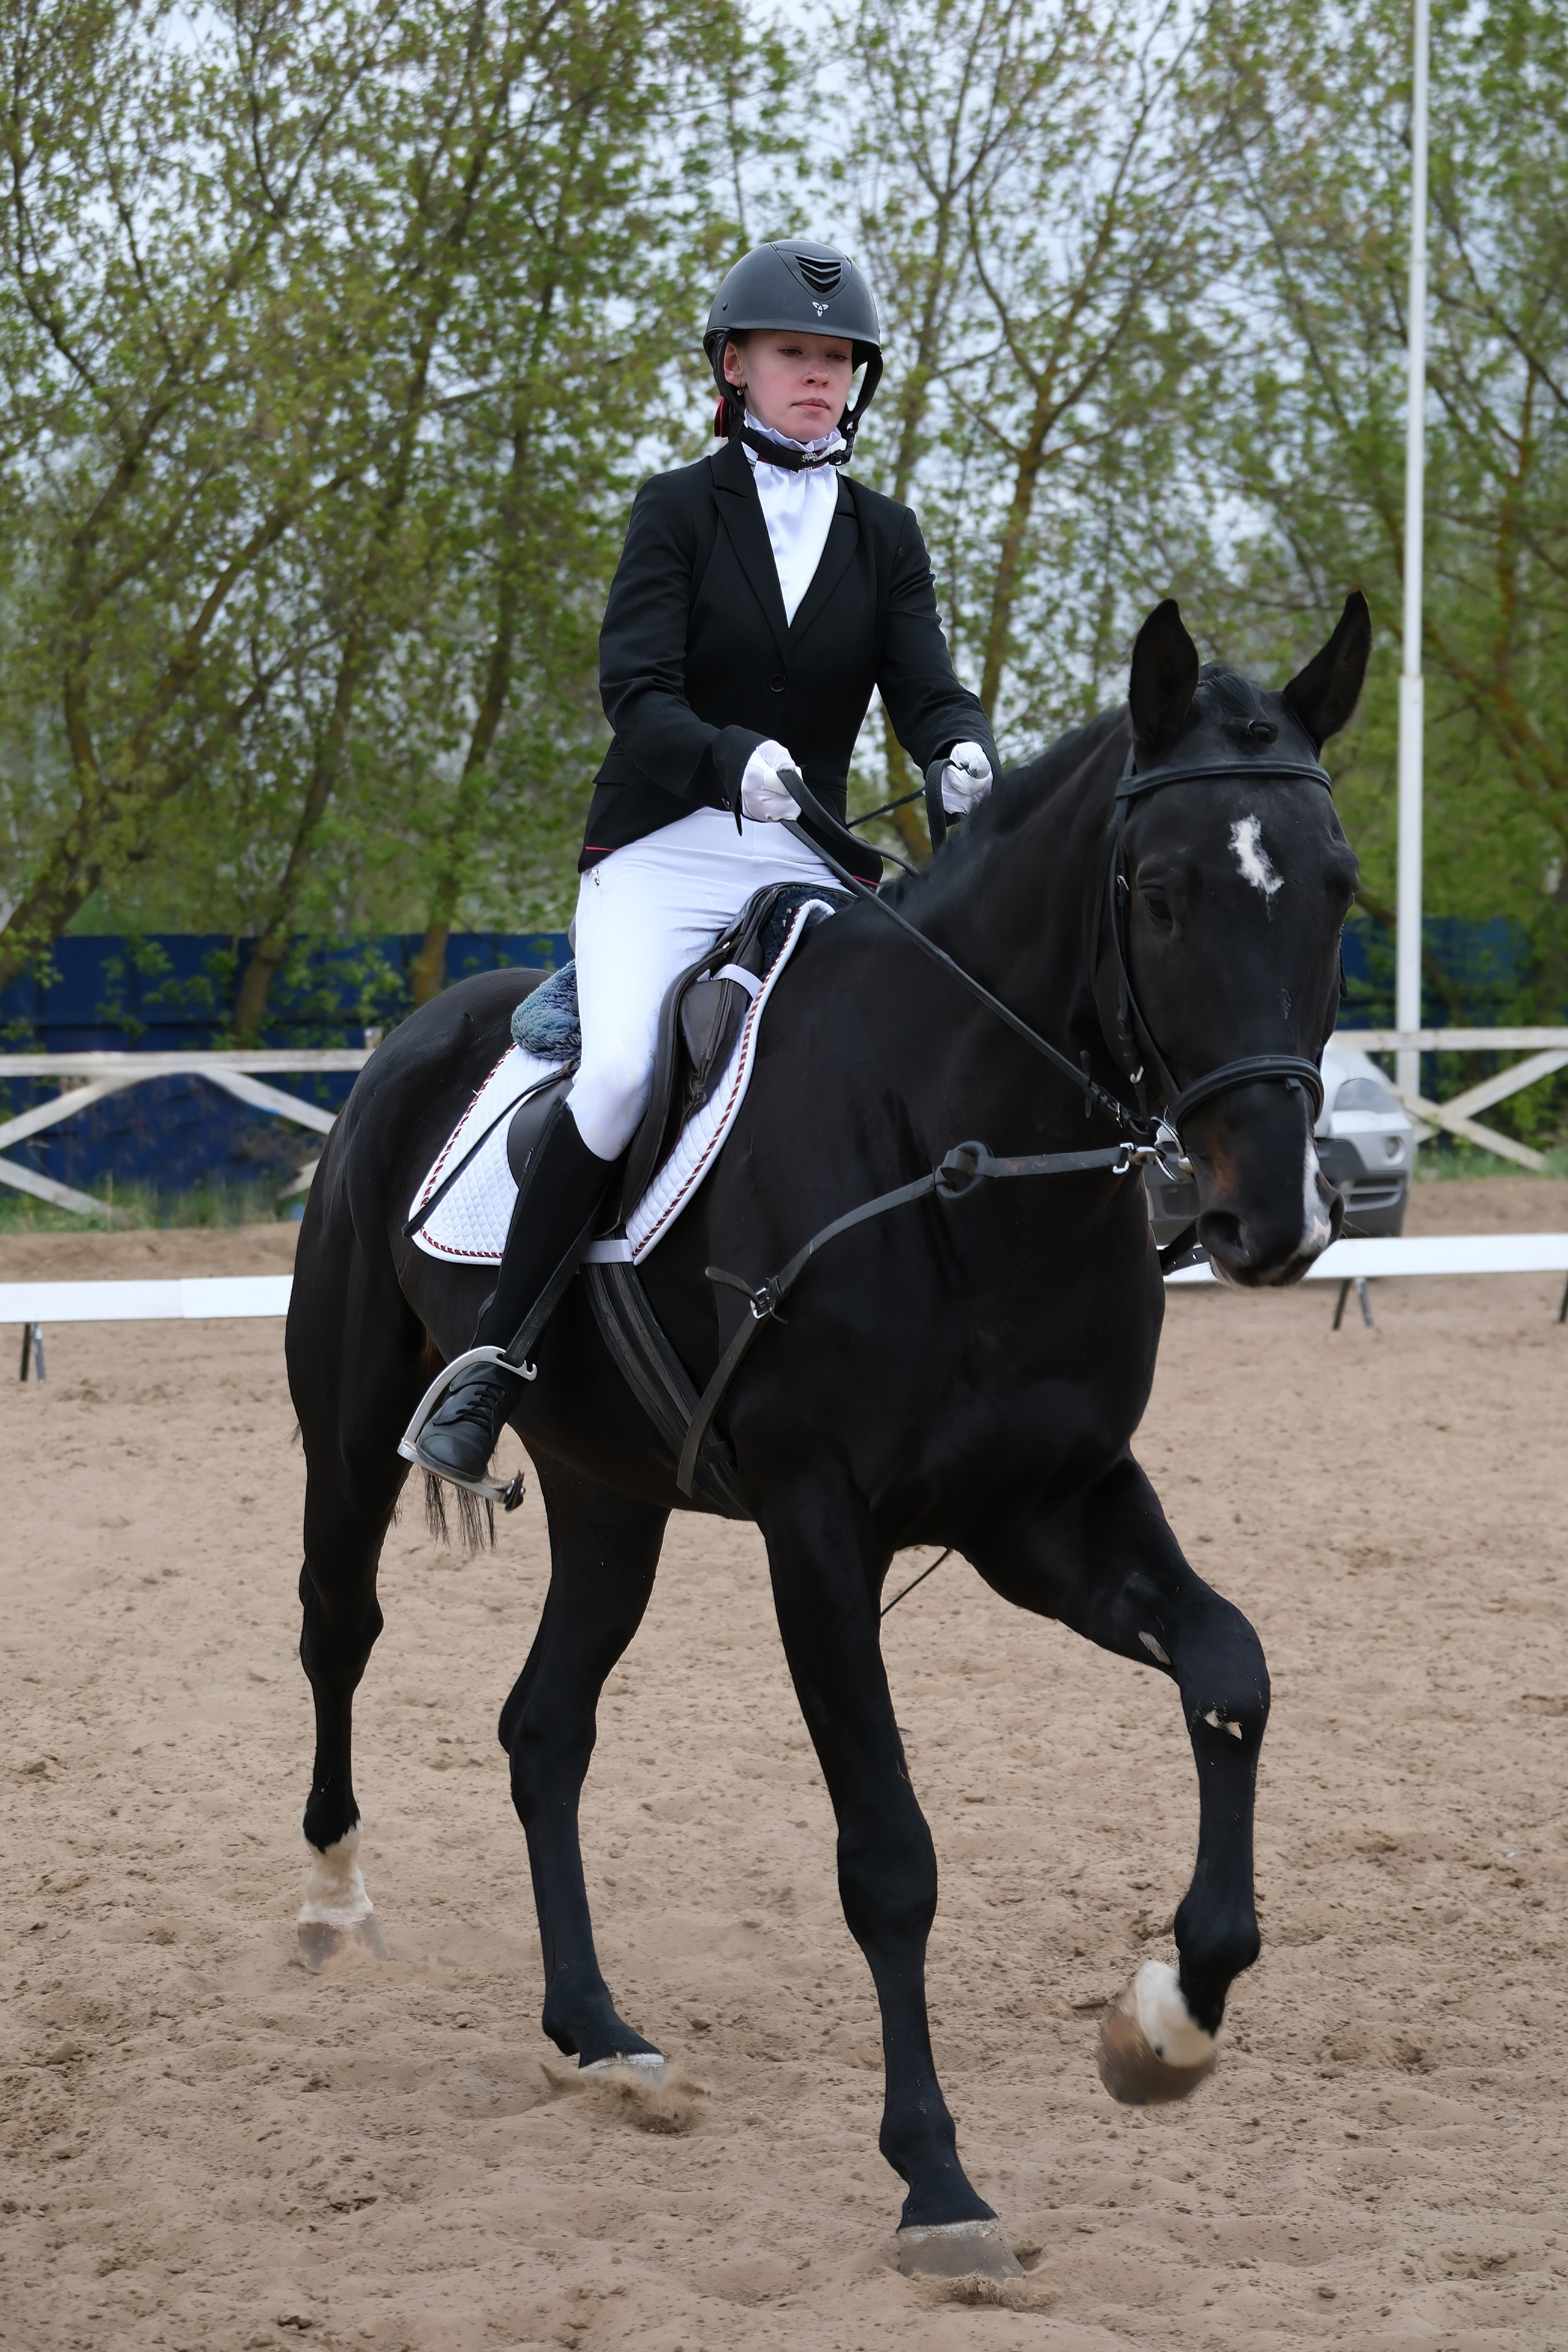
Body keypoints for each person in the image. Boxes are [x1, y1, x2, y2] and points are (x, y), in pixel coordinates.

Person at [416, 238, 1000, 1489]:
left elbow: (927, 687)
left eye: (837, 360)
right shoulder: (677, 510)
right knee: (622, 1071)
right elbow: (635, 691)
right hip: (662, 855)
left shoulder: (883, 534)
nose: (817, 377)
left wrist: (961, 751)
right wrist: (728, 757)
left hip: (803, 866)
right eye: (793, 354)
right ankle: (497, 1361)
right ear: (734, 367)